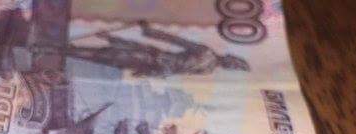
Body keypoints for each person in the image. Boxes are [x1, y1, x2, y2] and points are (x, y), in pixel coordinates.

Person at [38, 20, 249, 77]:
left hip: (153, 67)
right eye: (233, 63)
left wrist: (153, 74)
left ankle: (54, 50)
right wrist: (149, 31)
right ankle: (50, 49)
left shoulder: (207, 70)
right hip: (150, 56)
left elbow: (176, 72)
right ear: (230, 58)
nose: (229, 65)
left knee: (100, 58)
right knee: (101, 53)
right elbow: (175, 40)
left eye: (233, 67)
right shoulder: (205, 52)